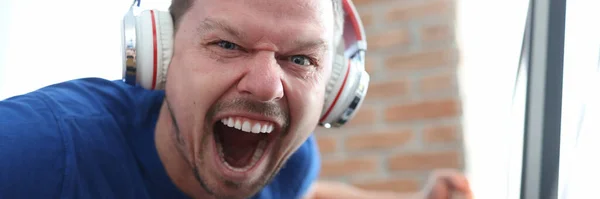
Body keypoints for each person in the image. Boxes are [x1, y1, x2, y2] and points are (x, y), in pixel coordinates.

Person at [0, 0, 473, 198]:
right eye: (227, 46)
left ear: (333, 91)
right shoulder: (41, 148)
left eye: (301, 60)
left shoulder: (288, 159)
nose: (266, 87)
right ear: (159, 57)